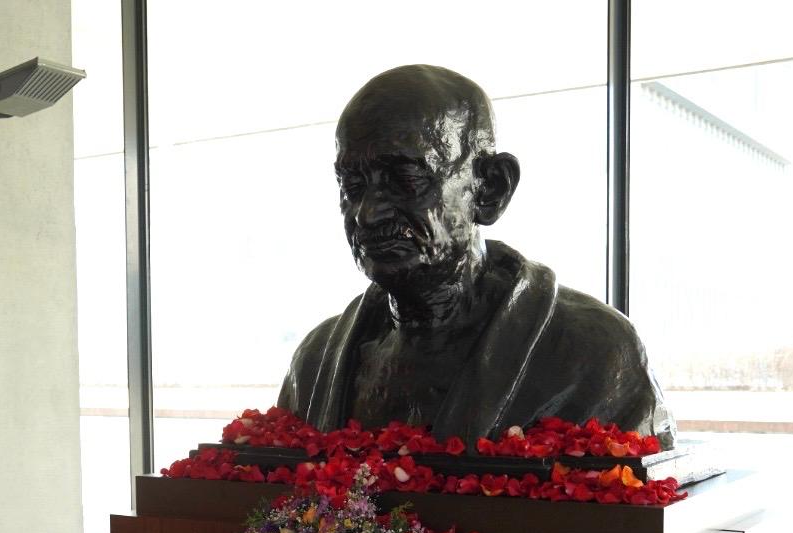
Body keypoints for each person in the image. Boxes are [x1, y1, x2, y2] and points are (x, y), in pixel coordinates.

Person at [278, 64, 675, 447]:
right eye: (352, 184)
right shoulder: (313, 365)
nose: (367, 213)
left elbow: (631, 508)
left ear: (490, 189)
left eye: (405, 179)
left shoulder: (594, 355)